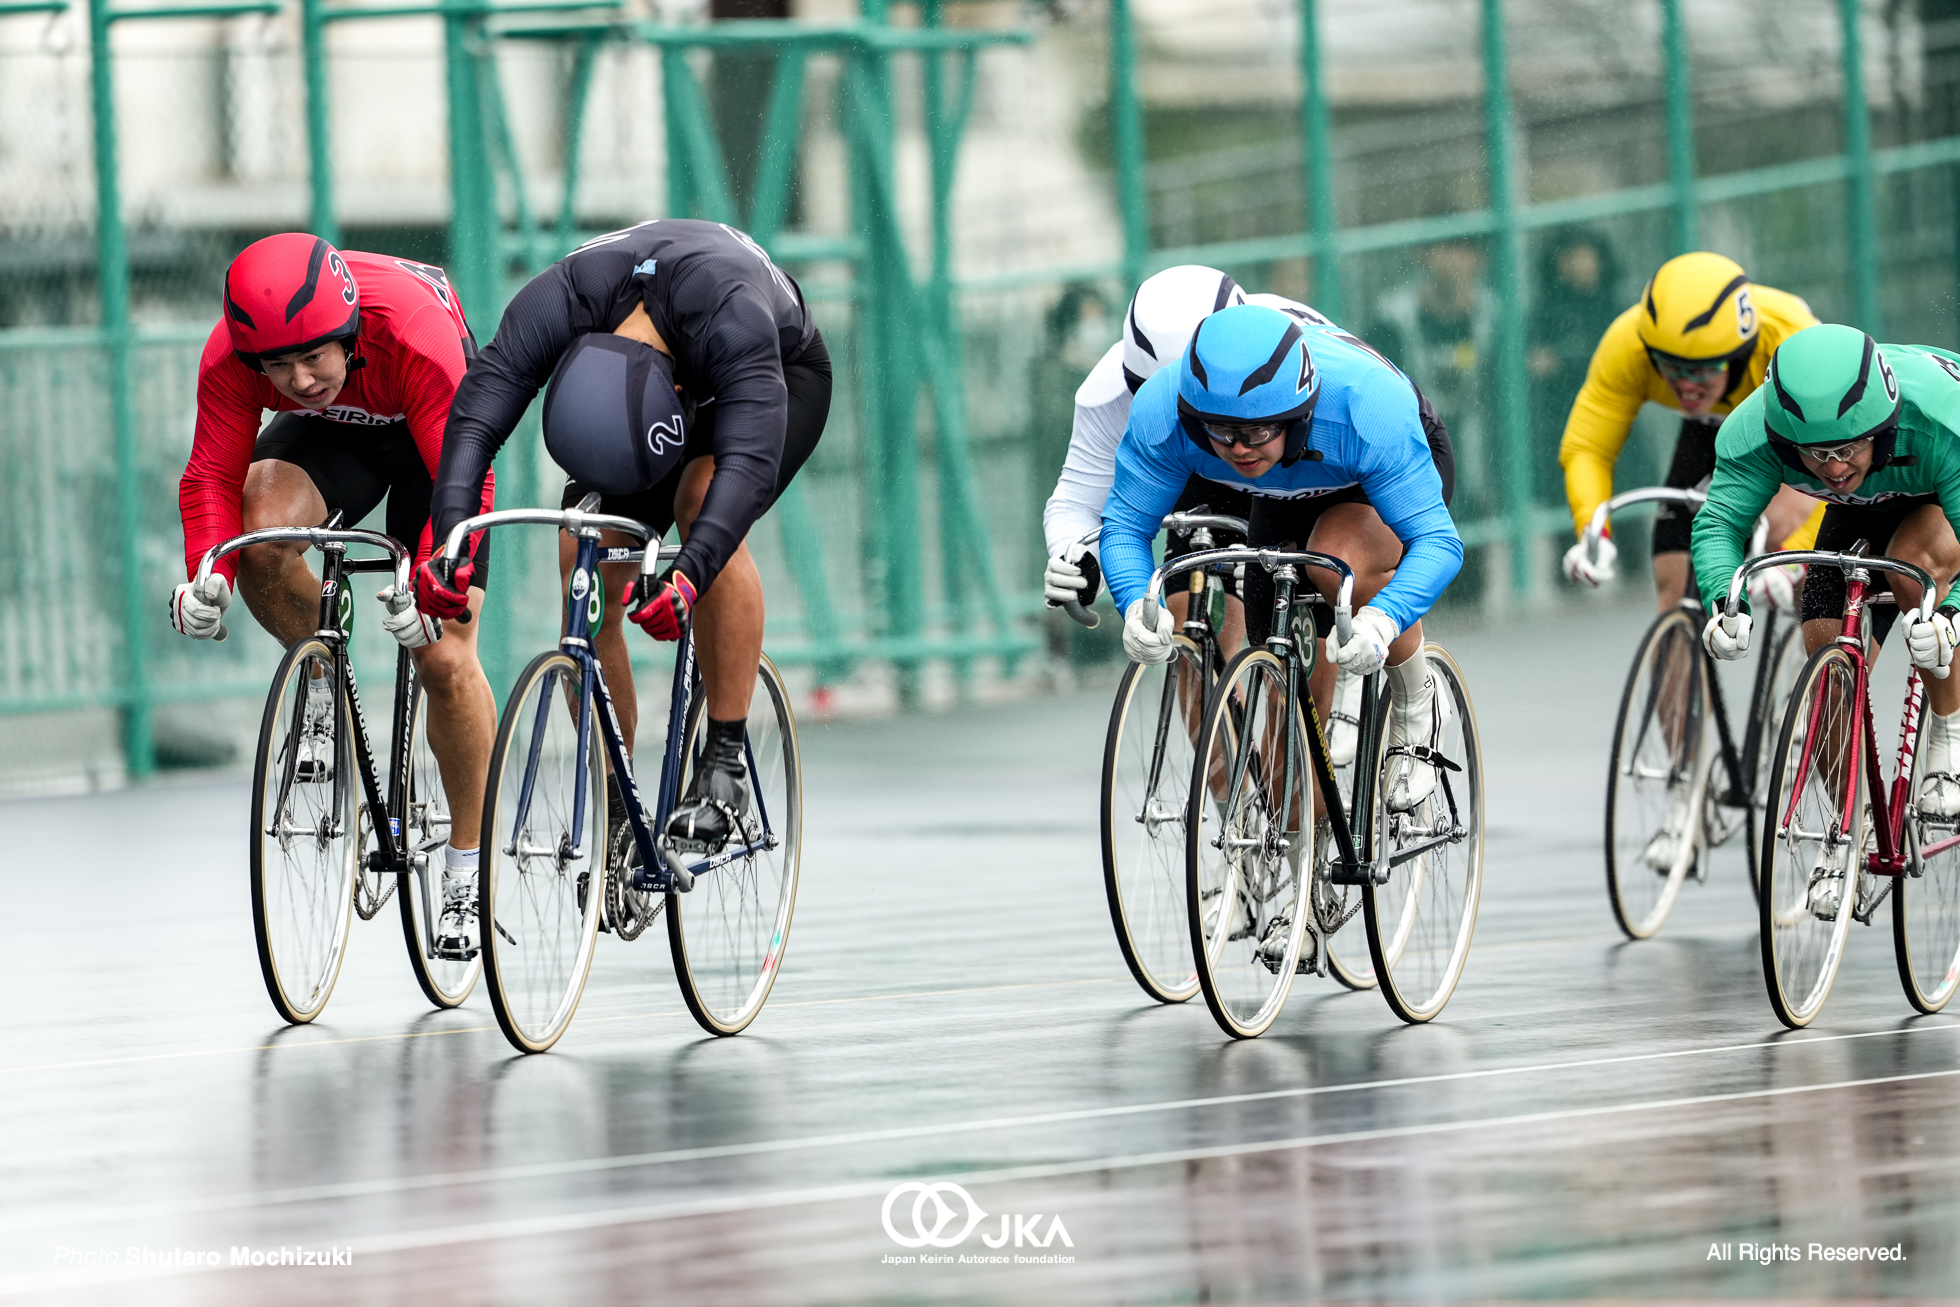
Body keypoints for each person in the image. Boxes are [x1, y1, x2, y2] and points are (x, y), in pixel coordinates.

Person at [421, 218, 829, 870]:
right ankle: (618, 795)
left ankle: (725, 758)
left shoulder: (733, 317)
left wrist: (689, 575)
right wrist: (448, 539)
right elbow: (476, 414)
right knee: (579, 545)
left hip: (770, 372)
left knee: (700, 498)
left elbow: (747, 468)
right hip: (638, 385)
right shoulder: (561, 299)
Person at [171, 233, 497, 959]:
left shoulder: (412, 335)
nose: (299, 379)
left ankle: (469, 871)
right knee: (259, 534)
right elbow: (210, 478)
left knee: (444, 659)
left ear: (348, 328)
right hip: (337, 440)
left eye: (314, 355)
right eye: (277, 366)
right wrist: (208, 574)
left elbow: (464, 485)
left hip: (434, 447)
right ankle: (322, 661)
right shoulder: (233, 358)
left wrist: (442, 579)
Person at [1101, 303, 1462, 831]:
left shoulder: (1367, 407)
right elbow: (1125, 528)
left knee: (1339, 563)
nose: (1239, 449)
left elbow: (1437, 542)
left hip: (1361, 468)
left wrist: (1383, 619)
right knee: (1277, 654)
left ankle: (1415, 702)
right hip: (1282, 485)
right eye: (1220, 433)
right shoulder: (1164, 411)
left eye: (1255, 432)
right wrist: (1135, 602)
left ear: (1298, 414)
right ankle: (1306, 857)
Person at [1040, 266, 1378, 752]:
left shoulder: (1288, 344)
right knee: (1181, 621)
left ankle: (1304, 759)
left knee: (1287, 611)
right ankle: (1232, 811)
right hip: (1190, 476)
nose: (1180, 417)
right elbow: (1076, 498)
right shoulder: (1105, 394)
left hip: (1285, 458)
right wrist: (1075, 553)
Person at [1694, 324, 1960, 817]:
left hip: (1939, 494)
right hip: (1856, 507)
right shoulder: (1755, 436)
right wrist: (1724, 601)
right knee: (1826, 664)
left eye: (1848, 447)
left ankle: (1950, 739)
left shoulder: (1940, 422)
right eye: (1817, 453)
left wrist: (1953, 613)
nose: (1834, 468)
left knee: (1911, 568)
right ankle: (1849, 834)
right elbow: (1718, 524)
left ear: (1881, 425)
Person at [1557, 251, 1822, 610]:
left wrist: (1794, 557)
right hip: (1707, 427)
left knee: (1776, 530)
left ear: (1741, 354)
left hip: (1791, 430)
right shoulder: (1628, 344)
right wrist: (1593, 531)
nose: (1687, 386)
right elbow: (1587, 448)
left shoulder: (1791, 345)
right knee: (1674, 583)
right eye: (1671, 367)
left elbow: (1833, 473)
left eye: (1703, 370)